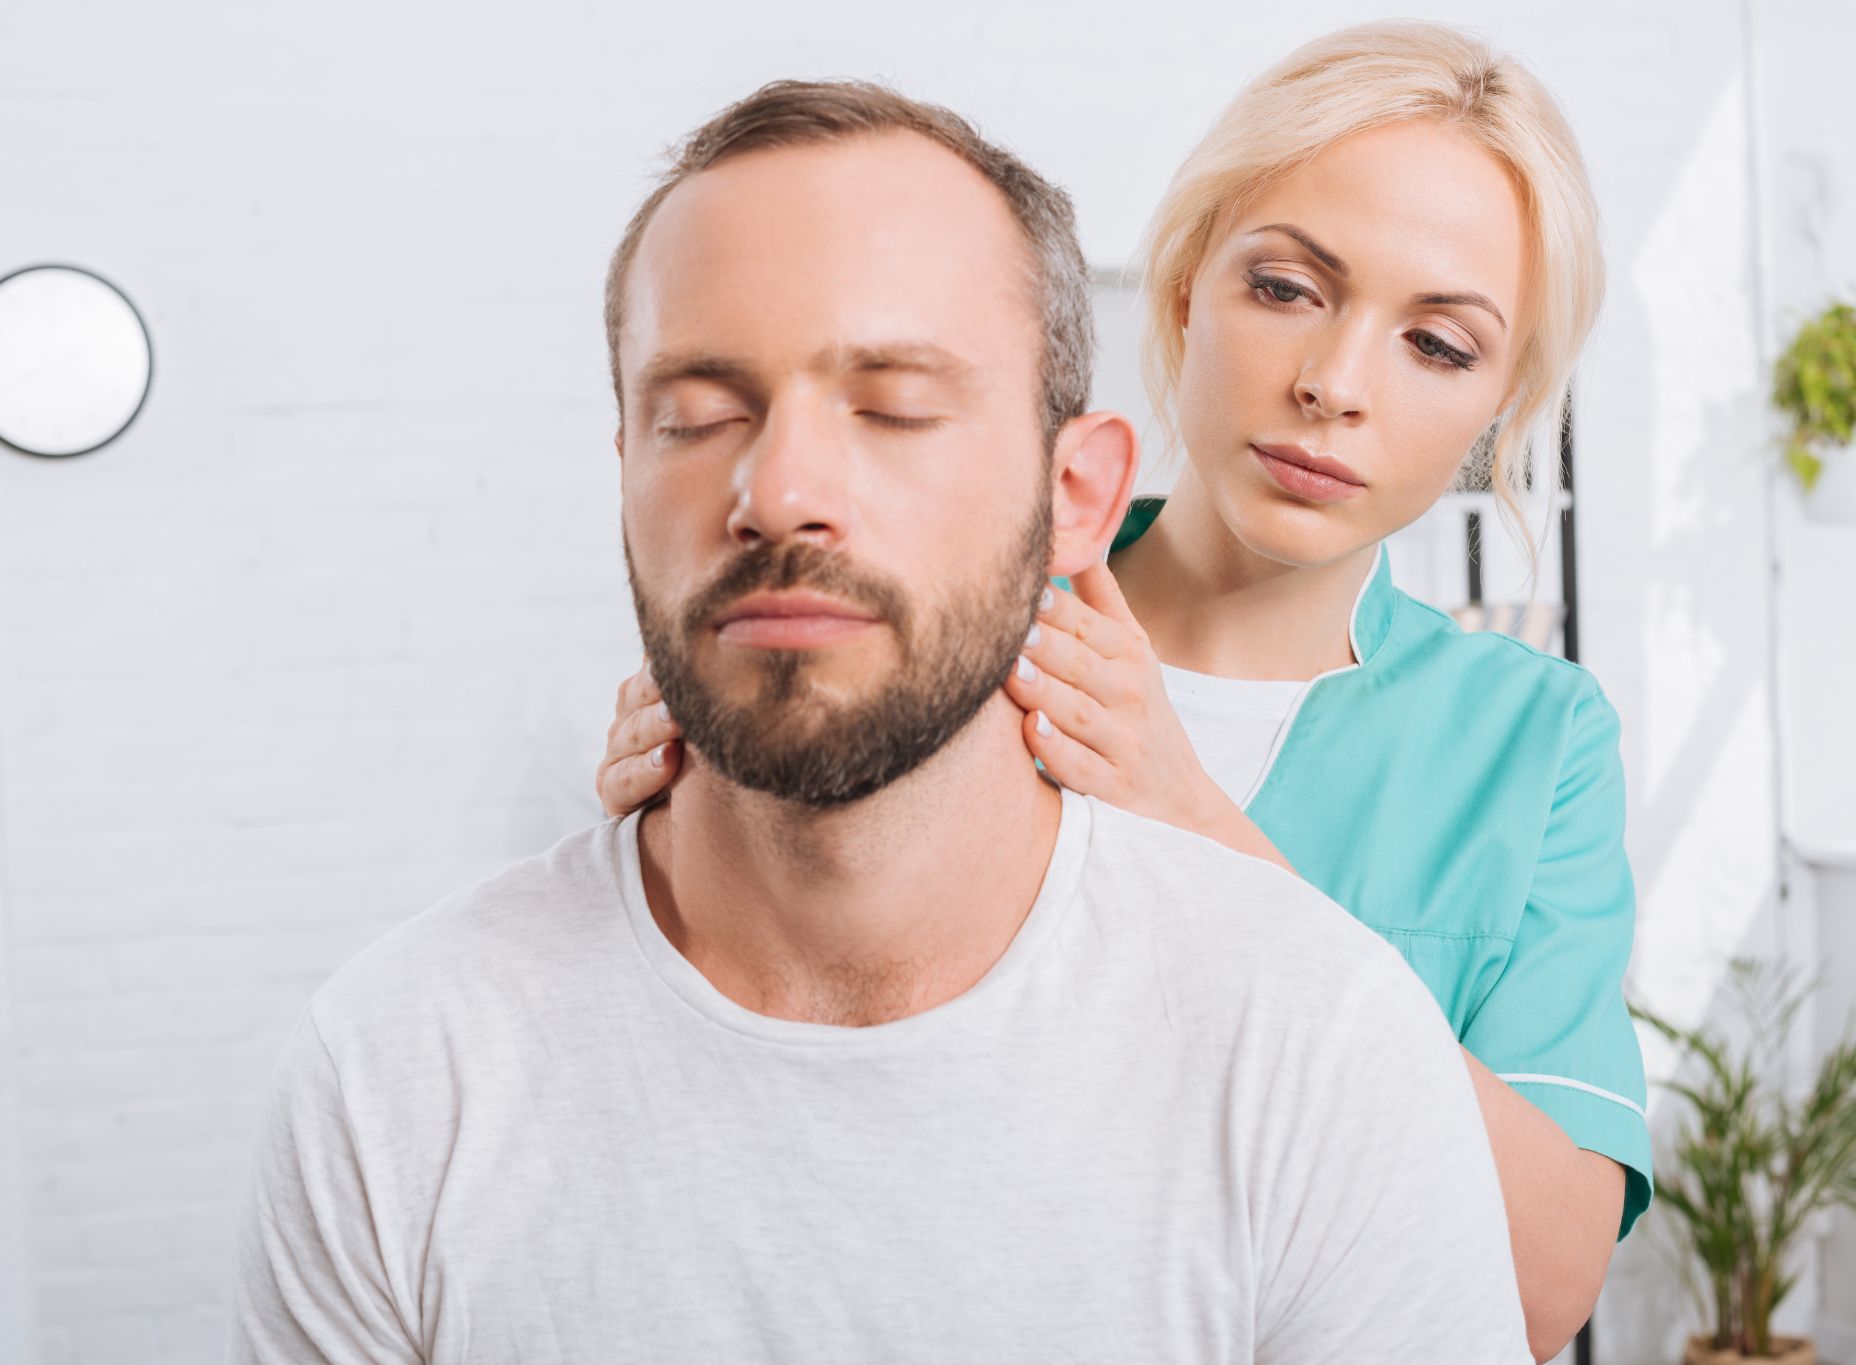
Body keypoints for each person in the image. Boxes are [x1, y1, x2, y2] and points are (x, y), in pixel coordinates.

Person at [229, 79, 1534, 1363]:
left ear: (1077, 498)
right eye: (696, 414)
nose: (778, 490)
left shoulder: (1322, 1052)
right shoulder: (394, 1074)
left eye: (896, 406)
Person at [595, 21, 1647, 1362]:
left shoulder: (1532, 743)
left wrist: (1199, 820)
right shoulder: (927, 625)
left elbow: (1545, 1288)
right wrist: (692, 818)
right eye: (1286, 287)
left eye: (1438, 345)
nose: (1333, 383)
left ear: (1501, 402)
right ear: (1189, 283)